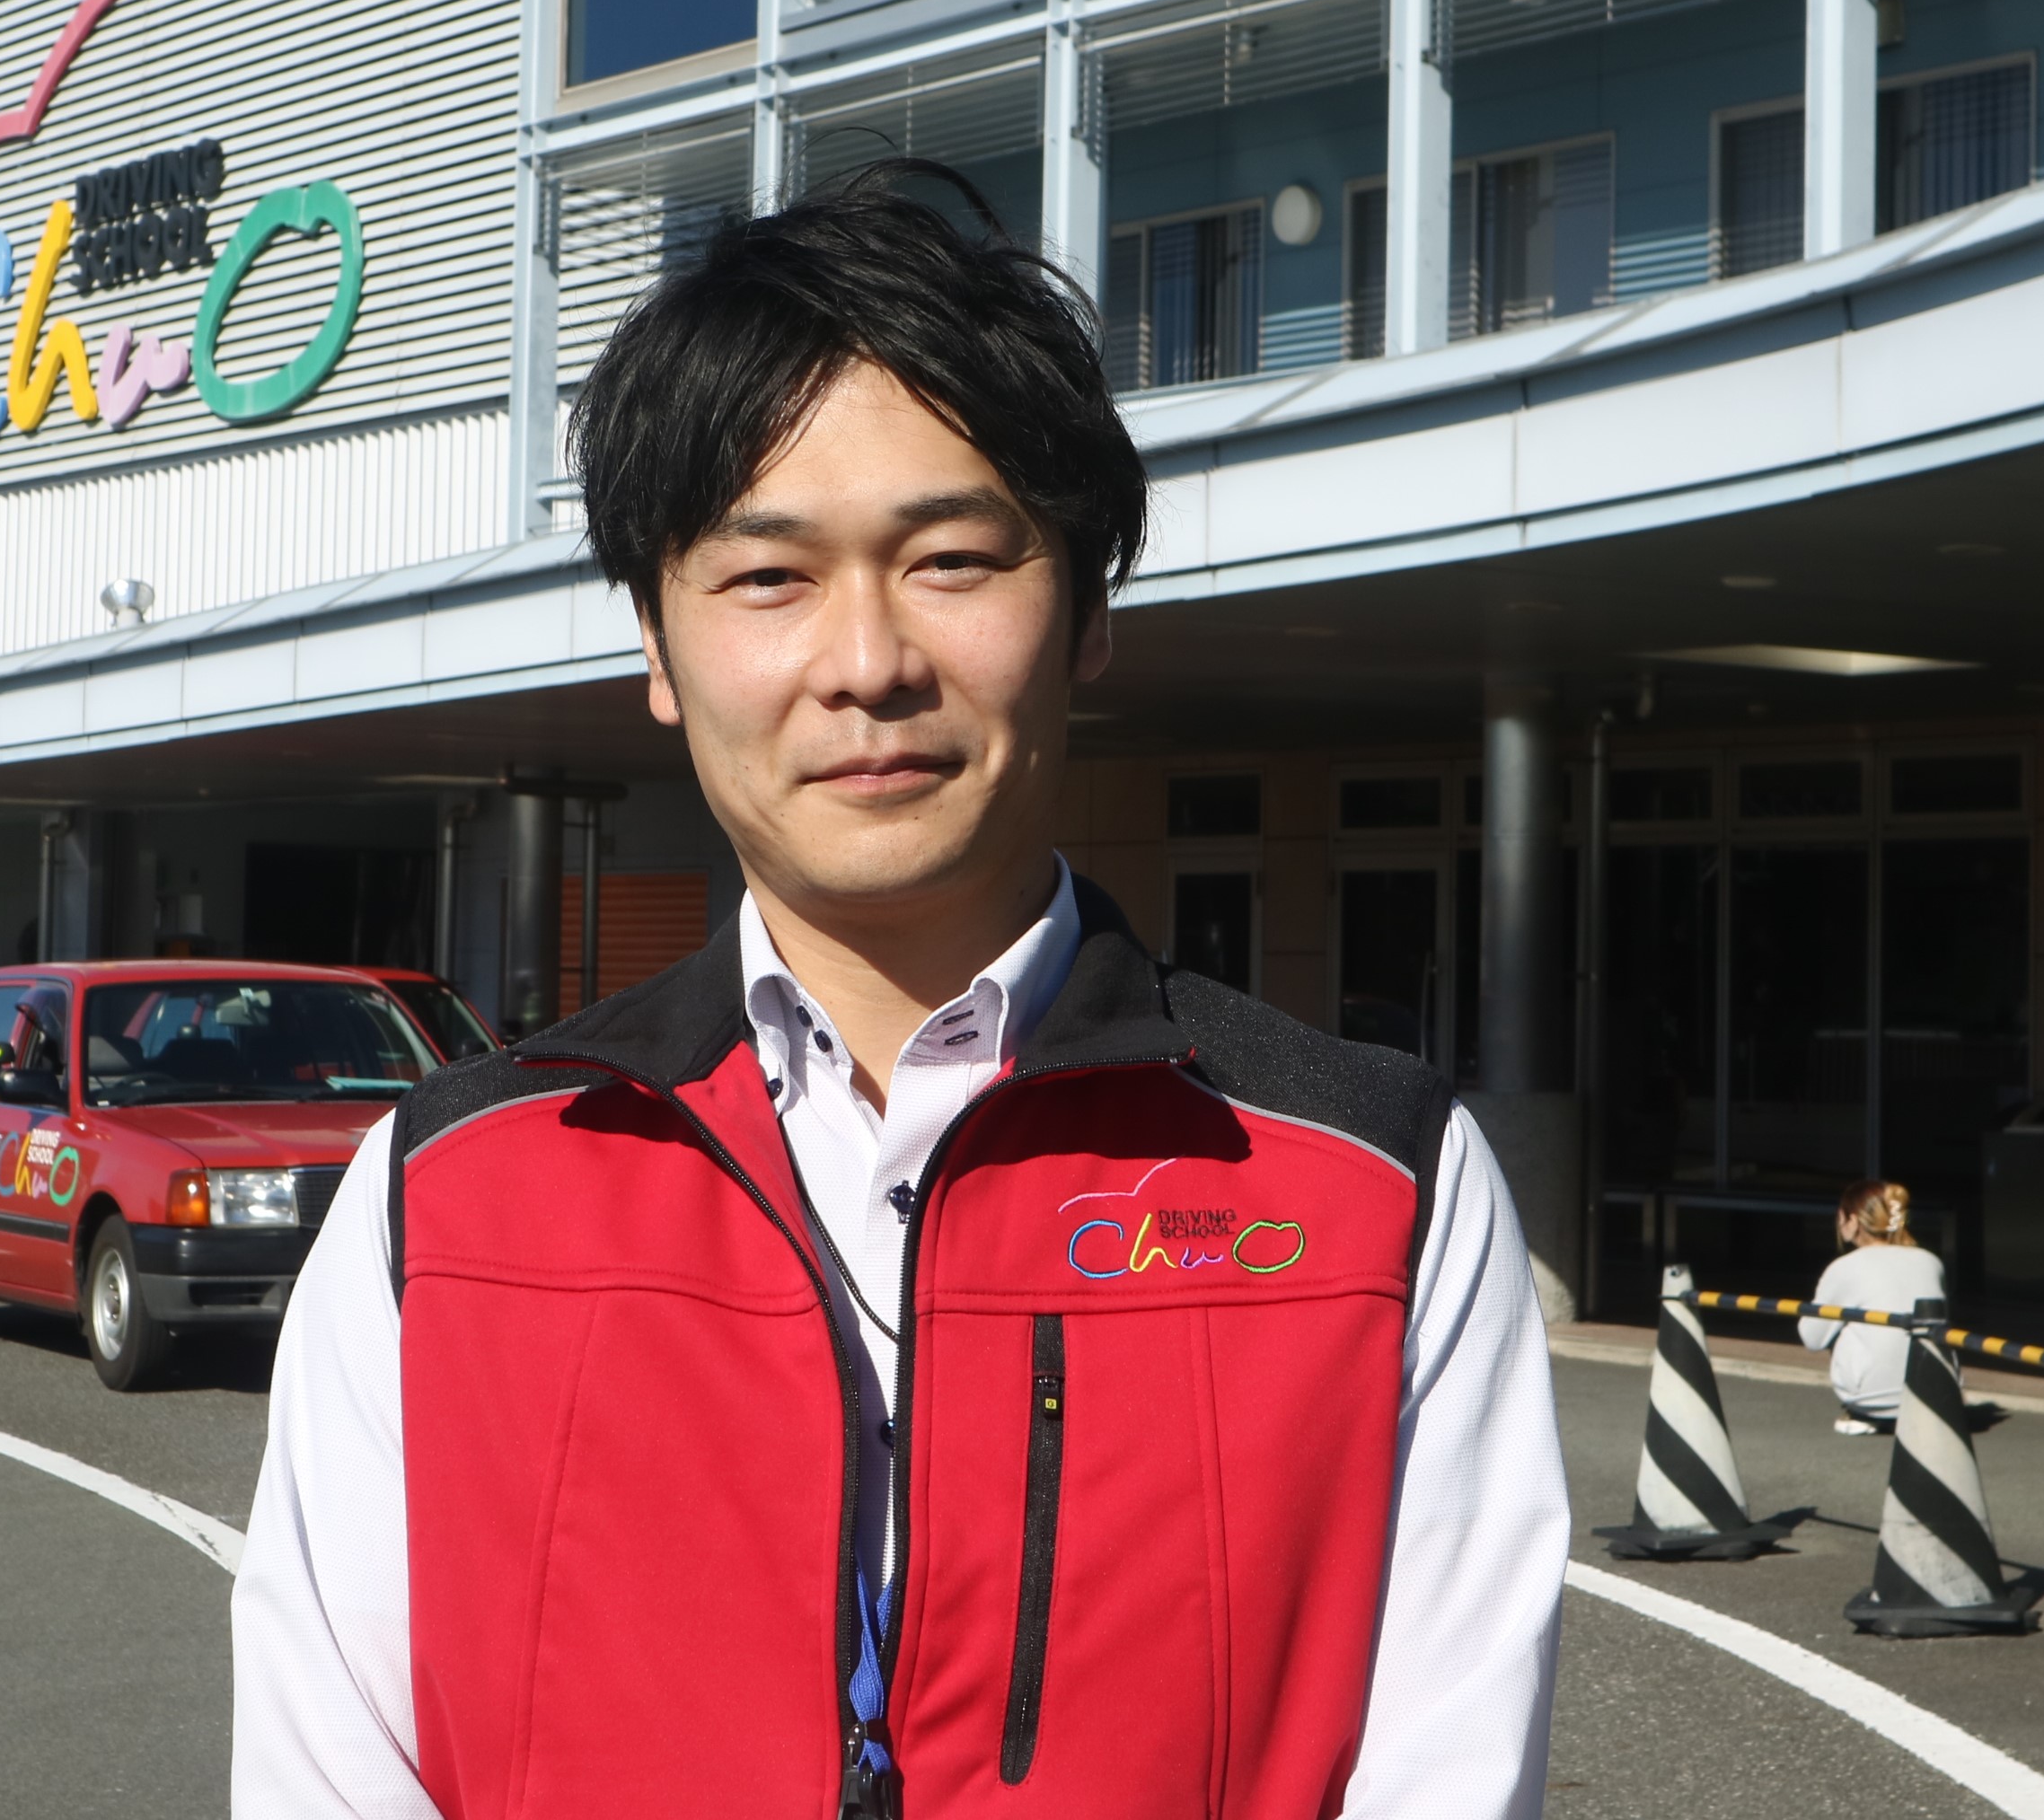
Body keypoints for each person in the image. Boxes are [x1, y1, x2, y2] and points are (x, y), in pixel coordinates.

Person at [230, 163, 1567, 1819]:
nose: (867, 661)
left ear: (1086, 611)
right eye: (767, 576)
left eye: (952, 558)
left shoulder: (1373, 1183)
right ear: (655, 645)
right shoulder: (442, 1196)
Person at [1798, 1179, 1948, 1434]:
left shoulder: (1845, 1267)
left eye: (1841, 1217)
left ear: (1853, 1221)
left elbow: (1812, 1337)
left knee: (1838, 1322)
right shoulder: (1931, 1262)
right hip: (1938, 1397)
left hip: (1874, 1400)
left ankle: (1864, 1408)